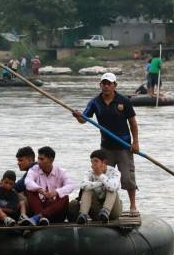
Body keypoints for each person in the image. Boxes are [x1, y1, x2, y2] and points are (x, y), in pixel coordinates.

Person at [73, 72, 140, 215]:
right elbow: (84, 119)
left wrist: (135, 143)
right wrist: (78, 116)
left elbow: (133, 123)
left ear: (115, 85)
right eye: (103, 83)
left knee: (127, 178)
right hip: (106, 147)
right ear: (100, 85)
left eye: (109, 83)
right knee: (103, 176)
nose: (106, 86)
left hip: (124, 146)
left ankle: (133, 206)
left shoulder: (123, 101)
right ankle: (105, 207)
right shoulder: (95, 102)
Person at [22, 146, 74, 226]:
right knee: (29, 190)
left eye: (42, 159)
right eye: (38, 159)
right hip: (39, 207)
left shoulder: (61, 172)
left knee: (64, 196)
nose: (38, 162)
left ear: (51, 160)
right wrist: (41, 191)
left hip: (55, 212)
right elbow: (28, 182)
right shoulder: (34, 169)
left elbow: (71, 185)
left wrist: (56, 192)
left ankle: (39, 216)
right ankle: (41, 216)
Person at [75, 149, 123, 224]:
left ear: (104, 162)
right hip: (97, 211)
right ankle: (83, 214)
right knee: (87, 189)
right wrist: (101, 183)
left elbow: (113, 187)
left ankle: (106, 211)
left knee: (111, 188)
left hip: (113, 211)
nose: (93, 164)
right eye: (92, 162)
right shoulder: (90, 172)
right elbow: (83, 185)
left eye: (96, 161)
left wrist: (100, 174)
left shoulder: (115, 172)